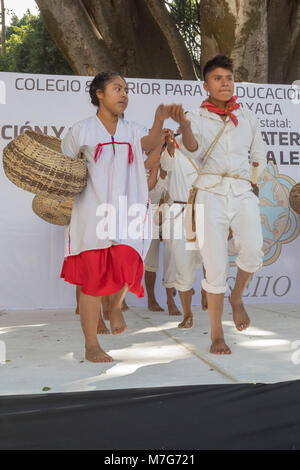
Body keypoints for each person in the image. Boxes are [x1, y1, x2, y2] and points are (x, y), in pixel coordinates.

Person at [60, 71, 174, 362]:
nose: (124, 94)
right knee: (93, 282)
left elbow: (148, 142)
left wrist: (159, 119)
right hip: (92, 212)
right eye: (117, 88)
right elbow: (66, 165)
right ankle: (91, 345)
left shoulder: (132, 129)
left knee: (131, 259)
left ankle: (115, 307)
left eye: (126, 89)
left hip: (126, 210)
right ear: (99, 94)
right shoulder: (81, 130)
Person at [168, 55, 266, 354]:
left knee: (252, 249)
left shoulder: (247, 117)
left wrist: (253, 180)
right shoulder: (195, 117)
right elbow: (192, 149)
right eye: (218, 78)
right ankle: (216, 334)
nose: (225, 83)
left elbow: (258, 153)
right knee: (215, 264)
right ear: (206, 84)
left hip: (241, 188)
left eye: (228, 78)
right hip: (209, 190)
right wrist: (184, 125)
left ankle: (237, 297)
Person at [160, 130, 207, 328]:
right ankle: (187, 313)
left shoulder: (204, 156)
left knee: (209, 258)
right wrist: (170, 147)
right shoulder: (173, 153)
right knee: (179, 263)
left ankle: (206, 290)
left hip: (203, 211)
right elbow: (165, 165)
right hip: (178, 212)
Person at [144, 131, 181, 316]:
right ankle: (151, 299)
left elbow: (170, 194)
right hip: (144, 213)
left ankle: (170, 298)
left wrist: (169, 142)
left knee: (172, 254)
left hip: (167, 211)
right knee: (149, 260)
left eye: (163, 148)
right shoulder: (143, 167)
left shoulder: (171, 166)